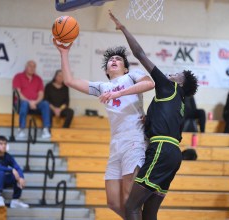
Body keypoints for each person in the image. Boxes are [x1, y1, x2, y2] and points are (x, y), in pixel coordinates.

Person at [109, 11, 198, 220]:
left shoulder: (168, 87)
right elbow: (165, 125)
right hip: (173, 153)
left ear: (180, 82)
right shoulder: (180, 103)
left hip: (162, 150)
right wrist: (149, 122)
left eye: (176, 74)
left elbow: (140, 54)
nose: (171, 74)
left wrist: (123, 29)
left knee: (131, 206)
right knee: (149, 212)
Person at [53, 41, 154, 217]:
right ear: (107, 71)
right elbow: (69, 81)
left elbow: (149, 84)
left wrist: (119, 93)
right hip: (116, 144)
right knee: (114, 202)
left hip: (134, 139)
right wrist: (64, 52)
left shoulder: (132, 77)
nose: (114, 60)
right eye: (110, 60)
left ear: (125, 69)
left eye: (118, 59)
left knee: (129, 197)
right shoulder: (102, 87)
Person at [0, 136, 29, 208]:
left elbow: (17, 167)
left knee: (16, 175)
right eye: (1, 144)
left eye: (5, 144)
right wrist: (11, 170)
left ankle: (15, 200)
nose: (3, 146)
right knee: (0, 172)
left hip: (1, 180)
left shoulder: (8, 156)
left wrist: (21, 177)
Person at [12, 60, 51, 139]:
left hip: (35, 103)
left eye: (34, 66)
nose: (32, 68)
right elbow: (17, 93)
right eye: (30, 66)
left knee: (45, 104)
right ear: (26, 67)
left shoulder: (38, 79)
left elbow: (41, 94)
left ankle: (46, 129)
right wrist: (29, 102)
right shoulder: (18, 76)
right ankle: (21, 129)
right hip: (21, 103)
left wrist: (35, 102)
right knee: (25, 103)